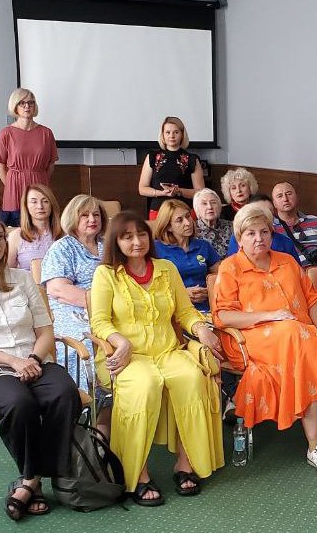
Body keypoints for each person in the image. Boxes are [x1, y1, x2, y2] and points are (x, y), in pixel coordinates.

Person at [212, 203, 317, 478]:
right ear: (239, 238)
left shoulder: (287, 261)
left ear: (272, 233)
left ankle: (315, 447)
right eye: (251, 233)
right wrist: (270, 316)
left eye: (264, 232)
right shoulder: (231, 268)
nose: (259, 238)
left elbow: (312, 299)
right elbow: (223, 316)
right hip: (251, 339)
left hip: (300, 340)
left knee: (305, 354)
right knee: (297, 334)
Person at [89, 212, 224, 505]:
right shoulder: (106, 274)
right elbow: (99, 322)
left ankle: (185, 464)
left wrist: (201, 329)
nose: (137, 242)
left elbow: (185, 312)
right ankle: (137, 474)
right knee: (145, 385)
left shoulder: (166, 268)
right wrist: (120, 341)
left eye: (141, 234)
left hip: (167, 350)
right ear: (115, 242)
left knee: (191, 378)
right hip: (127, 356)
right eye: (127, 237)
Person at [0, 210, 81, 521]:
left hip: (34, 358)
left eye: (0, 236)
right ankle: (32, 479)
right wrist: (12, 361)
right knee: (19, 403)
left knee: (65, 393)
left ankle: (32, 480)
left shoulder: (22, 279)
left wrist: (33, 359)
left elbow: (45, 330)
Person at [41, 194, 107, 384]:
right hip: (74, 314)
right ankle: (91, 395)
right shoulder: (62, 248)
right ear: (72, 218)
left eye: (96, 214)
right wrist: (103, 303)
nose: (92, 219)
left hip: (109, 308)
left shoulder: (108, 246)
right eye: (85, 215)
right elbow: (59, 290)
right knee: (90, 342)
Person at [0, 88, 58, 227]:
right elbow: (0, 165)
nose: (27, 106)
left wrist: (41, 179)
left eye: (31, 102)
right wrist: (11, 184)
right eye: (22, 103)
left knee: (40, 226)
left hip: (39, 183)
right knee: (16, 227)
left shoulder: (46, 133)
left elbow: (51, 164)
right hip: (14, 185)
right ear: (15, 106)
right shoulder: (6, 133)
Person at [154, 200, 221, 313]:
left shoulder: (203, 246)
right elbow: (152, 288)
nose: (188, 223)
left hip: (207, 308)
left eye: (188, 216)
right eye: (179, 220)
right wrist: (182, 294)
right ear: (168, 226)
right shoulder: (156, 249)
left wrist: (210, 290)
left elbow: (222, 276)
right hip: (174, 310)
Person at [138, 116, 205, 219]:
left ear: (182, 134)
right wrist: (160, 193)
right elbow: (142, 189)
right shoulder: (152, 157)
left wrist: (179, 191)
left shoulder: (192, 159)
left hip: (185, 212)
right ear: (163, 135)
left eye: (176, 132)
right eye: (168, 132)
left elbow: (200, 192)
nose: (172, 136)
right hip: (158, 212)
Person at [226, 194, 301, 265]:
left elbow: (297, 270)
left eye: (270, 211)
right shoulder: (237, 239)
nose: (265, 215)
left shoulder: (286, 242)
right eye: (259, 212)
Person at [271, 182, 317, 267]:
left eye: (289, 194)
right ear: (274, 203)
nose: (285, 199)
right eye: (280, 196)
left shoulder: (316, 221)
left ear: (296, 197)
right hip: (290, 271)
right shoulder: (270, 228)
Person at [7, 183, 62, 270]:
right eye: (34, 202)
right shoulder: (15, 236)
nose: (40, 206)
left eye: (45, 201)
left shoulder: (65, 234)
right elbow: (9, 272)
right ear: (26, 206)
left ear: (52, 205)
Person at [193, 188, 232, 257]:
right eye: (204, 203)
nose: (209, 207)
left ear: (220, 207)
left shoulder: (231, 226)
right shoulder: (192, 231)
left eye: (213, 202)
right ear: (197, 209)